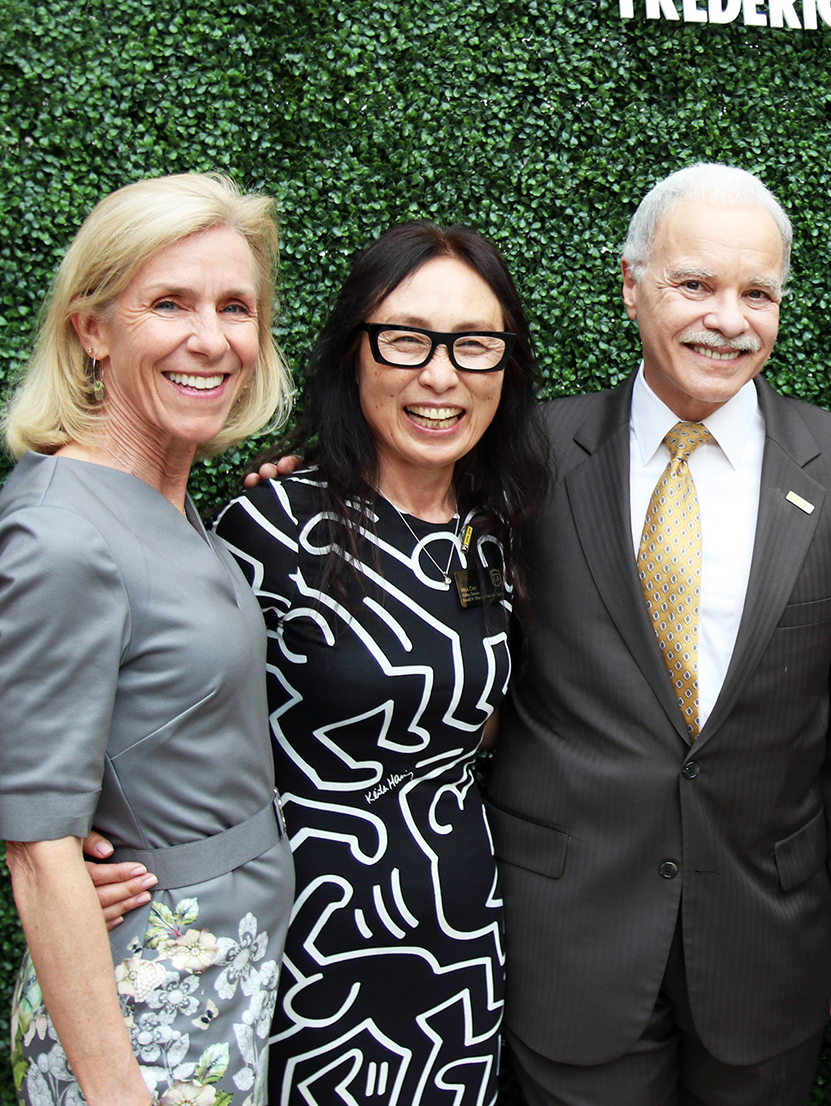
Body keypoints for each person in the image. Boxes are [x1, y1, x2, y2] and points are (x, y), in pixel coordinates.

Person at [89, 222, 550, 1105]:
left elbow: (487, 717)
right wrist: (76, 845)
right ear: (353, 354)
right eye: (406, 339)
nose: (441, 375)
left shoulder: (503, 525)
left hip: (458, 932)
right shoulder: (269, 527)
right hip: (298, 931)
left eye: (474, 345)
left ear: (506, 367)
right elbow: (142, 714)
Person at [484, 163, 831, 1106]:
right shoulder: (522, 454)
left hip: (768, 937)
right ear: (632, 286)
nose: (728, 318)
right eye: (695, 285)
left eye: (757, 292)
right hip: (570, 932)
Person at [0, 172, 295, 1106]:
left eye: (237, 306)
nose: (212, 338)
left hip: (211, 987)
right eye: (169, 303)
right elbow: (38, 850)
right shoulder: (59, 533)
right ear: (92, 328)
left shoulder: (161, 493)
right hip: (138, 1018)